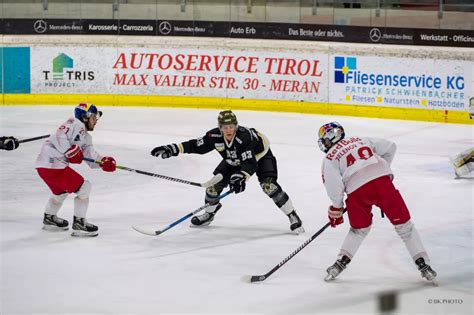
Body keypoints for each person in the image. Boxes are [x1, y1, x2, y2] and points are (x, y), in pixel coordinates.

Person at [317, 122, 437, 282]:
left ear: (332, 137)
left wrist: (337, 207)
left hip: (358, 191)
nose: (324, 144)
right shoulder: (360, 139)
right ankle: (424, 265)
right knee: (405, 227)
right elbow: (390, 147)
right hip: (383, 184)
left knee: (359, 230)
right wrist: (382, 171)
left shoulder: (330, 157)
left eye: (324, 140)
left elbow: (333, 184)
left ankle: (340, 263)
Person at [150, 110, 304, 234]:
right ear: (220, 127)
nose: (228, 130)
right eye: (225, 127)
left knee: (269, 186)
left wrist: (241, 176)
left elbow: (249, 162)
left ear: (236, 126)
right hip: (234, 159)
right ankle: (209, 213)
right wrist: (173, 149)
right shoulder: (214, 136)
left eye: (231, 126)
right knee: (213, 187)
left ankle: (292, 215)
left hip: (261, 157)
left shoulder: (244, 137)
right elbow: (196, 146)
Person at [35, 103, 117, 237]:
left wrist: (103, 162)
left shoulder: (86, 137)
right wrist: (69, 150)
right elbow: (58, 136)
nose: (96, 121)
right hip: (53, 165)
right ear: (85, 117)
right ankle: (79, 224)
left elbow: (90, 157)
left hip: (45, 167)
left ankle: (49, 218)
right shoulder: (73, 123)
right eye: (93, 118)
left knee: (60, 193)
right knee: (84, 188)